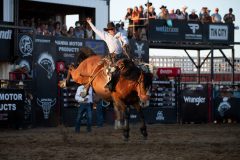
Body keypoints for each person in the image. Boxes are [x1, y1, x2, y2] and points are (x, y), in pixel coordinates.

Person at [86, 18, 129, 90]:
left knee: (129, 66)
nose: (113, 30)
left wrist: (125, 43)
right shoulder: (105, 36)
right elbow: (96, 30)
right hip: (112, 57)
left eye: (113, 29)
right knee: (112, 69)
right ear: (108, 30)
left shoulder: (119, 34)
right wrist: (90, 23)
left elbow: (125, 39)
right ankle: (110, 83)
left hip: (121, 55)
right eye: (111, 29)